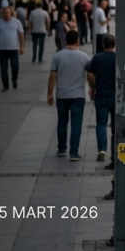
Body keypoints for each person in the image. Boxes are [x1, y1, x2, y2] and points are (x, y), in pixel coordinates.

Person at [48, 30, 90, 161]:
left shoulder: (57, 56)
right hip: (78, 95)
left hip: (62, 95)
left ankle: (61, 148)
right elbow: (90, 76)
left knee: (62, 121)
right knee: (76, 124)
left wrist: (50, 93)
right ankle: (74, 152)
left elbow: (53, 76)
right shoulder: (84, 57)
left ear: (66, 40)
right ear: (78, 40)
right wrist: (93, 88)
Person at [87, 34, 117, 162]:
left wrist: (93, 88)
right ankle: (116, 151)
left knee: (101, 124)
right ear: (114, 45)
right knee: (116, 125)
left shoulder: (97, 58)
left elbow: (89, 74)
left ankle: (102, 150)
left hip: (101, 96)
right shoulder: (118, 58)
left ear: (103, 45)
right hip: (116, 96)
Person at [0, 7, 25, 91]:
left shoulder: (16, 22)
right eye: (4, 13)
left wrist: (22, 46)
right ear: (2, 14)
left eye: (7, 12)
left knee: (15, 66)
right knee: (3, 68)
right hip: (2, 49)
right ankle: (5, 85)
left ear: (11, 13)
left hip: (13, 49)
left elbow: (21, 34)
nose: (6, 14)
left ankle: (14, 79)